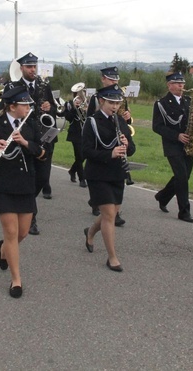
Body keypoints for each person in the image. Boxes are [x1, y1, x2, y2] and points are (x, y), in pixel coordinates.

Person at [0, 84, 45, 298]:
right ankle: (16, 280)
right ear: (13, 106)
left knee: (23, 232)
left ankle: (3, 249)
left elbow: (42, 151)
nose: (28, 108)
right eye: (25, 105)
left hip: (25, 183)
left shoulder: (31, 124)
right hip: (2, 184)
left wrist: (25, 142)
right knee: (11, 232)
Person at [82, 84, 136, 272]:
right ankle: (112, 257)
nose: (114, 106)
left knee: (110, 214)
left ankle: (90, 232)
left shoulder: (120, 121)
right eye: (111, 102)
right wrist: (110, 153)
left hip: (117, 173)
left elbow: (132, 149)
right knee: (109, 214)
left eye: (117, 103)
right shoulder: (92, 122)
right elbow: (86, 151)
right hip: (97, 174)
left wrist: (127, 145)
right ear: (102, 101)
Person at [4, 52, 58, 235]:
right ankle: (31, 216)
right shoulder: (13, 86)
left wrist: (50, 107)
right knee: (29, 177)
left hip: (45, 137)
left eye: (34, 66)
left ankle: (26, 206)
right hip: (25, 137)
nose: (32, 70)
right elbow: (7, 111)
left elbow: (54, 107)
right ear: (21, 68)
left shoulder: (44, 85)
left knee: (42, 178)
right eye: (29, 67)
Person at [85, 66, 133, 224]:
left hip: (116, 163)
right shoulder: (95, 98)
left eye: (116, 79)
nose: (114, 81)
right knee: (108, 213)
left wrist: (127, 118)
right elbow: (91, 119)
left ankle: (108, 214)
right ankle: (98, 204)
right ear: (103, 79)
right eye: (111, 79)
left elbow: (125, 124)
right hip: (99, 143)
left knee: (111, 211)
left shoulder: (119, 99)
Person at [152, 71, 193, 222]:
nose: (181, 86)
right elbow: (157, 126)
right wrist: (176, 136)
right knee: (181, 177)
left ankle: (162, 197)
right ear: (169, 85)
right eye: (178, 83)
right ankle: (184, 212)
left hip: (189, 144)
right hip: (173, 145)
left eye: (183, 83)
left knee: (184, 176)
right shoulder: (161, 103)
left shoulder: (189, 100)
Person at [58, 83, 88, 189]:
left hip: (86, 133)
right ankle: (82, 178)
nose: (81, 94)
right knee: (79, 155)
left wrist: (86, 110)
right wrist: (74, 109)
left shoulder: (87, 103)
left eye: (83, 91)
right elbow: (68, 118)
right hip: (75, 133)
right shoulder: (69, 104)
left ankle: (72, 170)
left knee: (84, 156)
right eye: (79, 92)